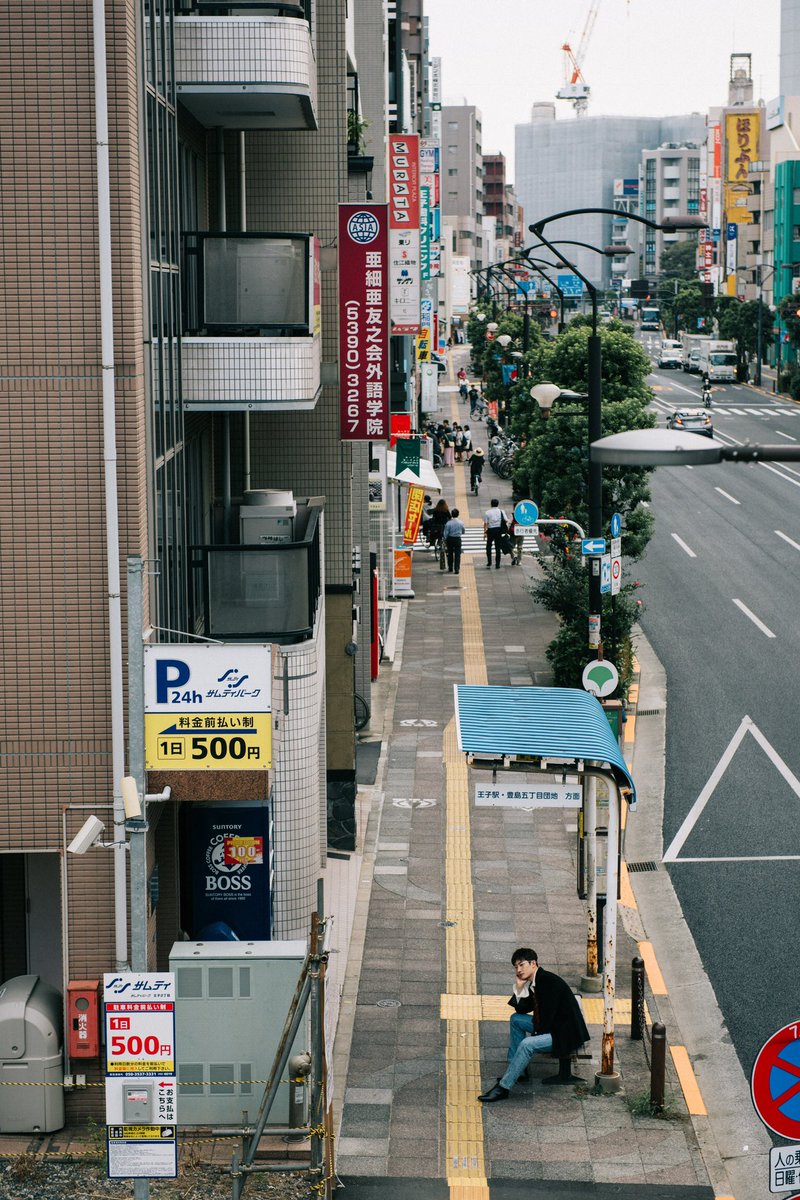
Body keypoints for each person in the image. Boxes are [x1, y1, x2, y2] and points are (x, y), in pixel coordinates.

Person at [478, 947, 590, 1103]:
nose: (518, 970)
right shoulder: (536, 981)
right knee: (516, 1019)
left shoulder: (547, 982)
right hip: (555, 1026)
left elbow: (547, 1018)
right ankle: (518, 1069)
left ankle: (503, 1087)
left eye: (521, 965)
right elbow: (523, 1009)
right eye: (516, 967)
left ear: (533, 963)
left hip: (565, 1034)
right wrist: (518, 988)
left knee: (527, 1044)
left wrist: (535, 1037)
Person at [483, 497, 508, 569]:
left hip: (490, 530)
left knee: (488, 546)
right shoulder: (501, 511)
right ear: (498, 504)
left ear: (491, 504)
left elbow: (485, 523)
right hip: (499, 530)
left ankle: (489, 562)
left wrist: (484, 532)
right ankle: (497, 564)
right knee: (498, 547)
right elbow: (506, 520)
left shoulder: (487, 512)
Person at [442, 507, 465, 575]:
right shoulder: (461, 522)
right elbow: (463, 531)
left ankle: (450, 567)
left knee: (450, 553)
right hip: (457, 539)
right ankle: (457, 568)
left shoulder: (448, 523)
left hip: (450, 539)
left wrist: (445, 539)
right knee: (458, 554)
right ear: (458, 514)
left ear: (452, 515)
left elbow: (445, 533)